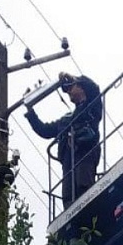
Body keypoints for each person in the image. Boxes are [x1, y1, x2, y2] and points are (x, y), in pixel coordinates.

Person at [25, 72, 102, 209]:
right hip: (68, 159)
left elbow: (94, 88)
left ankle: (89, 211)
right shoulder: (66, 120)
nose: (69, 93)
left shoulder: (92, 108)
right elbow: (44, 130)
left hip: (85, 151)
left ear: (82, 88)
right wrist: (30, 111)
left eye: (72, 87)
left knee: (83, 185)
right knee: (68, 193)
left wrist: (72, 77)